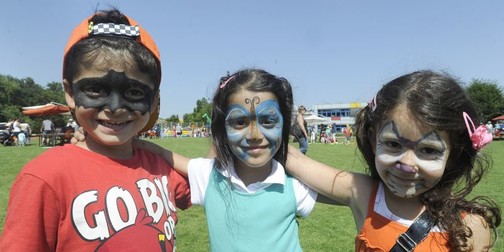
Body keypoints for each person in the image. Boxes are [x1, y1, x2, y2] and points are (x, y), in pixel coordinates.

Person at [0, 9, 191, 252]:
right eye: (95, 89)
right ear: (70, 93)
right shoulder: (44, 178)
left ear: (153, 101)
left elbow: (221, 179)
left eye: (133, 92)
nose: (114, 107)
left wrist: (159, 151)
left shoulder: (161, 168)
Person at [286, 70, 501, 251]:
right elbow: (297, 161)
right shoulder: (364, 193)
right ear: (372, 140)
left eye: (428, 149)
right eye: (393, 144)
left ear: (454, 154)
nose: (406, 164)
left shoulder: (471, 227)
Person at [136, 69, 318, 251]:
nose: (255, 135)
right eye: (239, 122)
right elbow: (166, 154)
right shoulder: (208, 176)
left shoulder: (295, 186)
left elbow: (345, 189)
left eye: (268, 121)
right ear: (221, 129)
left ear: (284, 124)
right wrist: (133, 143)